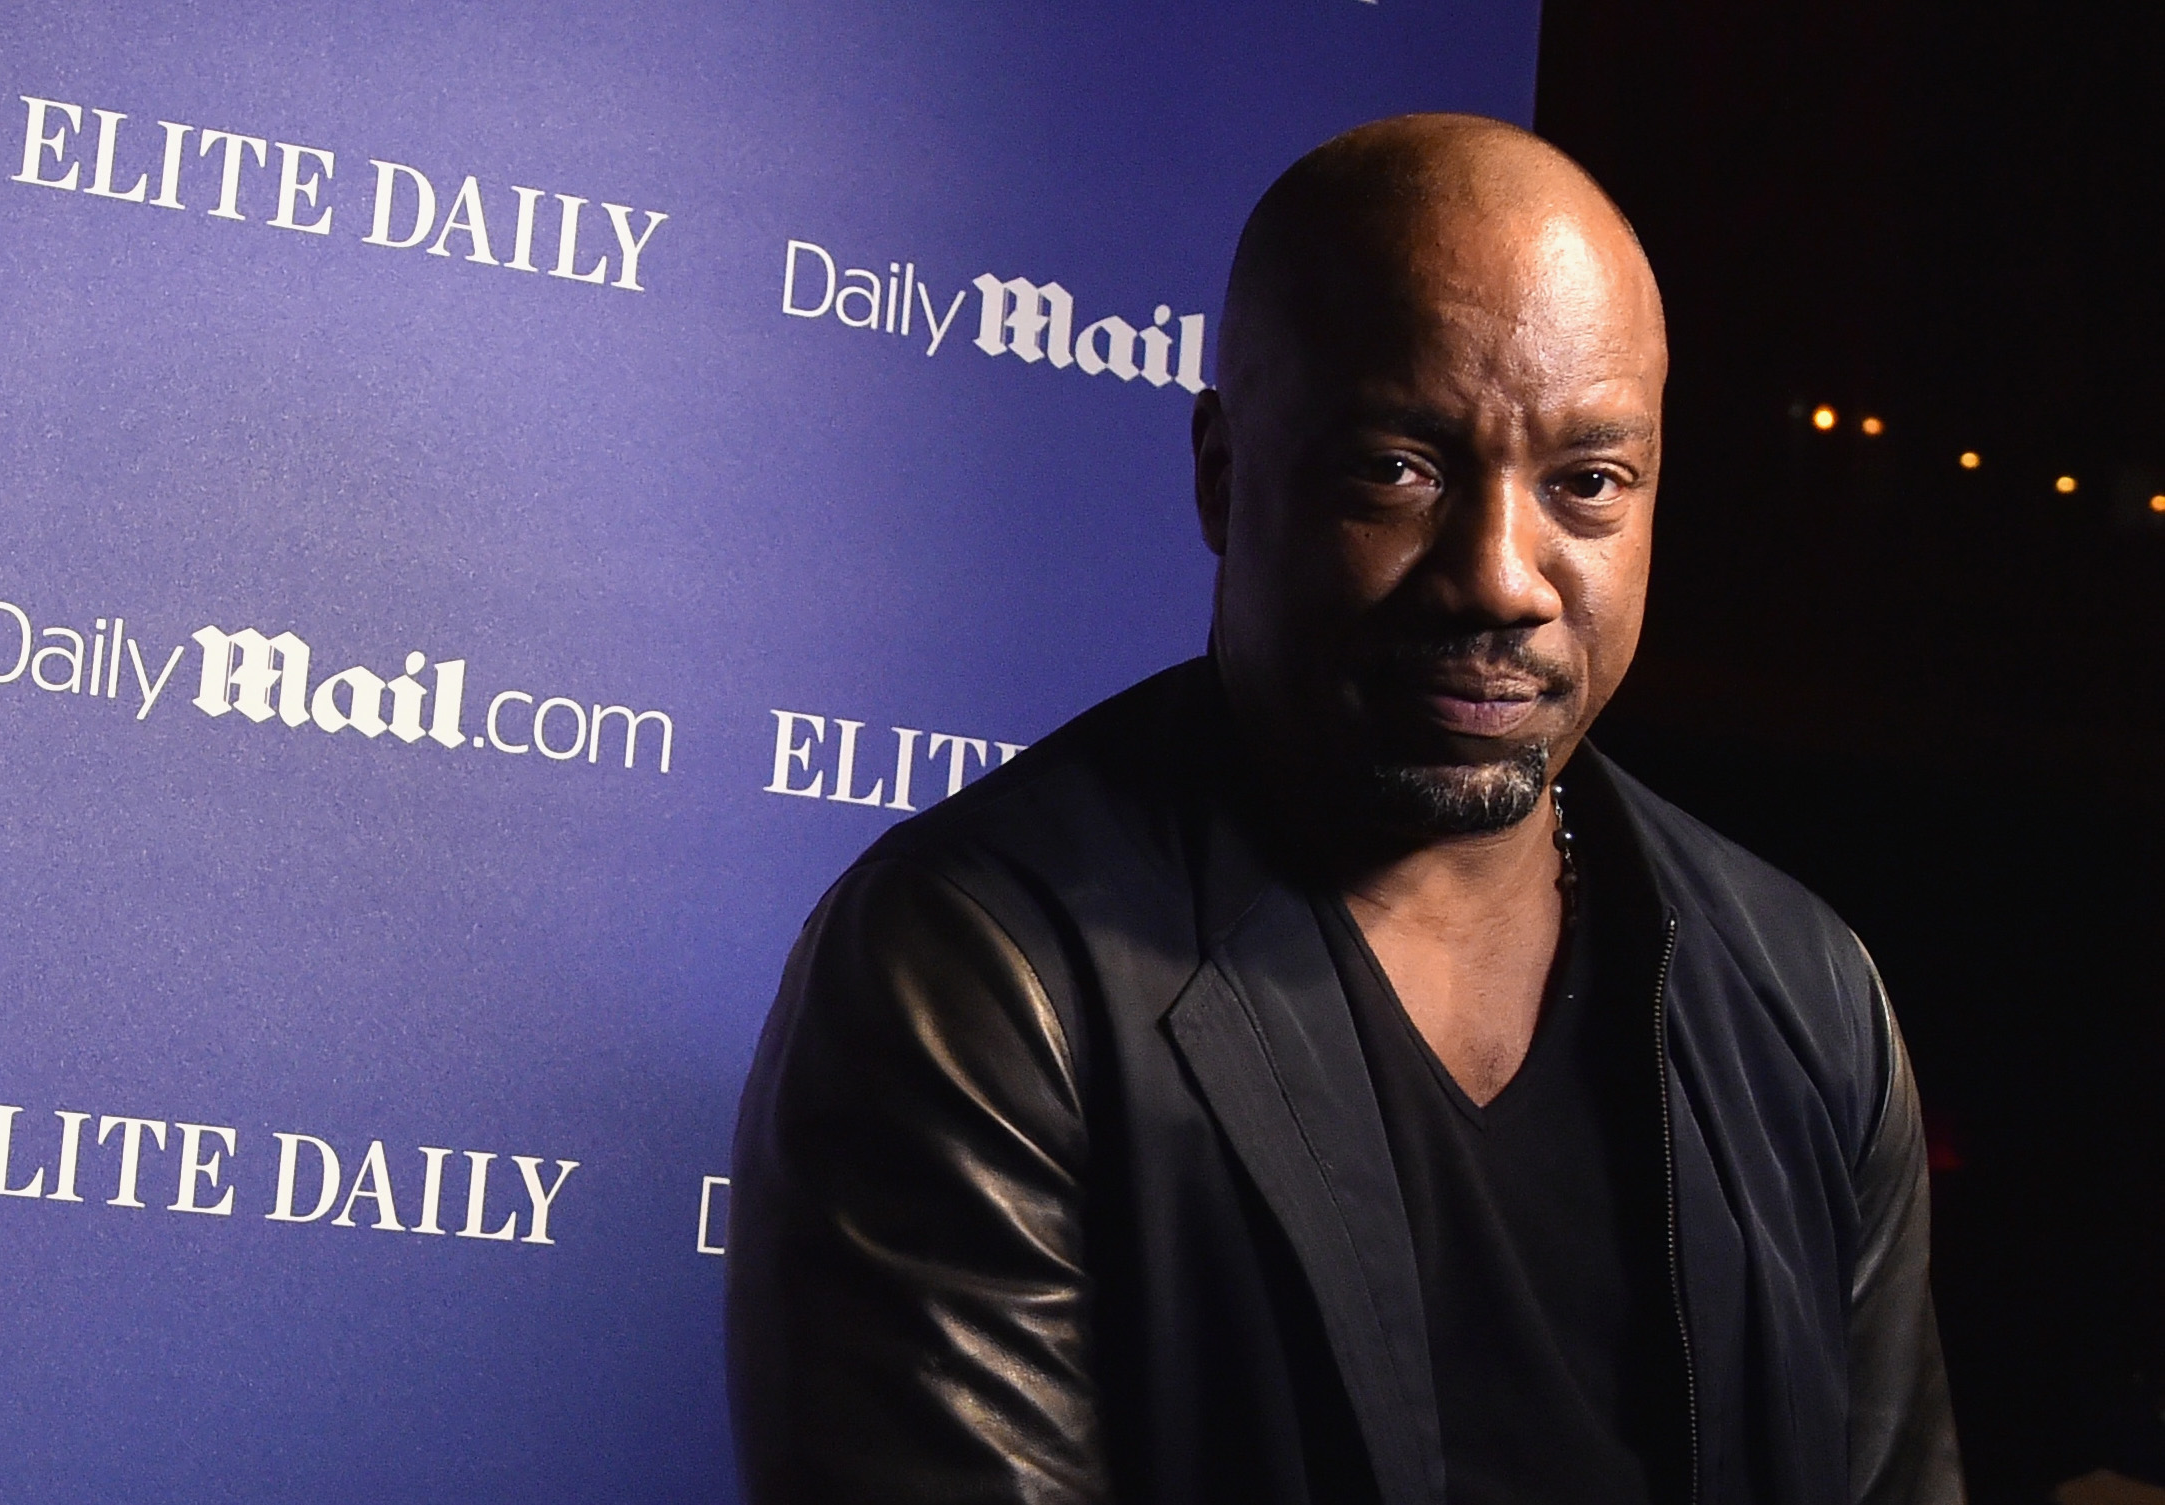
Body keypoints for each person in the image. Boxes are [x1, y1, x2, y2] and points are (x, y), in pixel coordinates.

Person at [726, 114, 1962, 1505]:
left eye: (1586, 484)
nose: (1501, 576)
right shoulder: (978, 973)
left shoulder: (1808, 996)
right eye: (1398, 467)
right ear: (1222, 473)